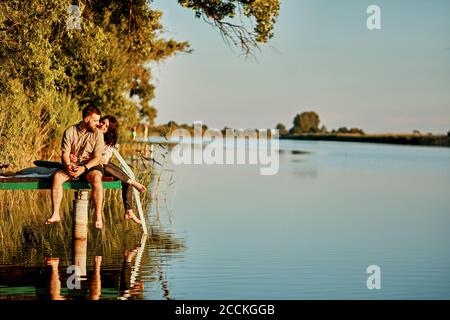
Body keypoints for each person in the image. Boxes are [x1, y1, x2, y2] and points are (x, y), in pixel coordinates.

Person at [70, 115, 146, 224]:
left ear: (109, 130)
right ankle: (132, 182)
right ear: (99, 121)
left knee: (122, 177)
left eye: (107, 126)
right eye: (103, 123)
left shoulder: (108, 142)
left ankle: (129, 210)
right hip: (86, 166)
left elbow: (104, 160)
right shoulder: (89, 132)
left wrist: (96, 157)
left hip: (101, 166)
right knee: (122, 175)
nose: (103, 126)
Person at [45, 106, 105, 228]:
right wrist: (67, 166)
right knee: (57, 176)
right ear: (86, 119)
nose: (98, 124)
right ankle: (56, 213)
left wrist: (84, 168)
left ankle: (98, 216)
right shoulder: (70, 131)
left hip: (90, 165)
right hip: (73, 165)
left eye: (98, 121)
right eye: (95, 121)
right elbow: (65, 154)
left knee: (97, 177)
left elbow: (97, 158)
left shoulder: (98, 134)